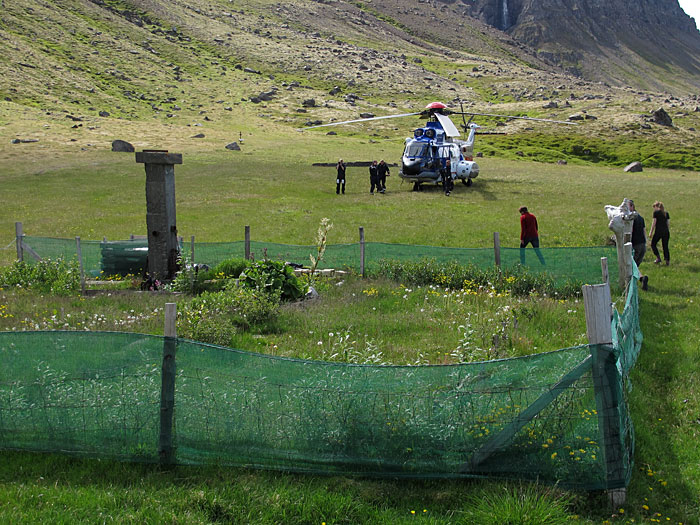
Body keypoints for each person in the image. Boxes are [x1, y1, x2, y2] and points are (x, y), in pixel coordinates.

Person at [628, 199, 648, 290]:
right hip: (643, 244)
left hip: (635, 245)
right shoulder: (641, 217)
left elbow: (630, 232)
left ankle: (641, 278)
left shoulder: (632, 219)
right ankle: (639, 280)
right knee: (635, 266)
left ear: (632, 207)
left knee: (632, 266)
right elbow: (644, 231)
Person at [649, 201, 670, 266]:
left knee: (653, 244)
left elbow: (654, 223)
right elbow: (668, 224)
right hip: (666, 232)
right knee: (665, 246)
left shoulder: (656, 213)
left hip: (659, 231)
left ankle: (658, 258)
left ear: (656, 207)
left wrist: (651, 232)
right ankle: (667, 260)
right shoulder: (666, 213)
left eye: (654, 207)